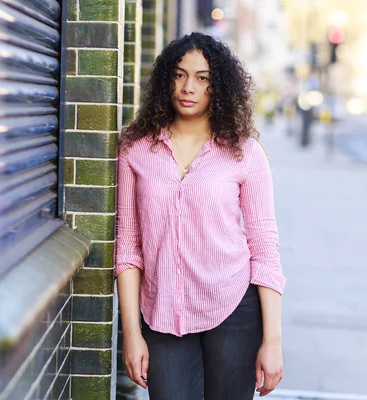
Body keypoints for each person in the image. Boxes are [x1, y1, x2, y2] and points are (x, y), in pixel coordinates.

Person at [114, 32, 286, 400]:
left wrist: (272, 342)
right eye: (179, 75)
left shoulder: (244, 152)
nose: (188, 86)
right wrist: (131, 335)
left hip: (233, 309)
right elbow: (128, 248)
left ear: (218, 86)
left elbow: (264, 248)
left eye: (202, 78)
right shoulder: (135, 149)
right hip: (162, 314)